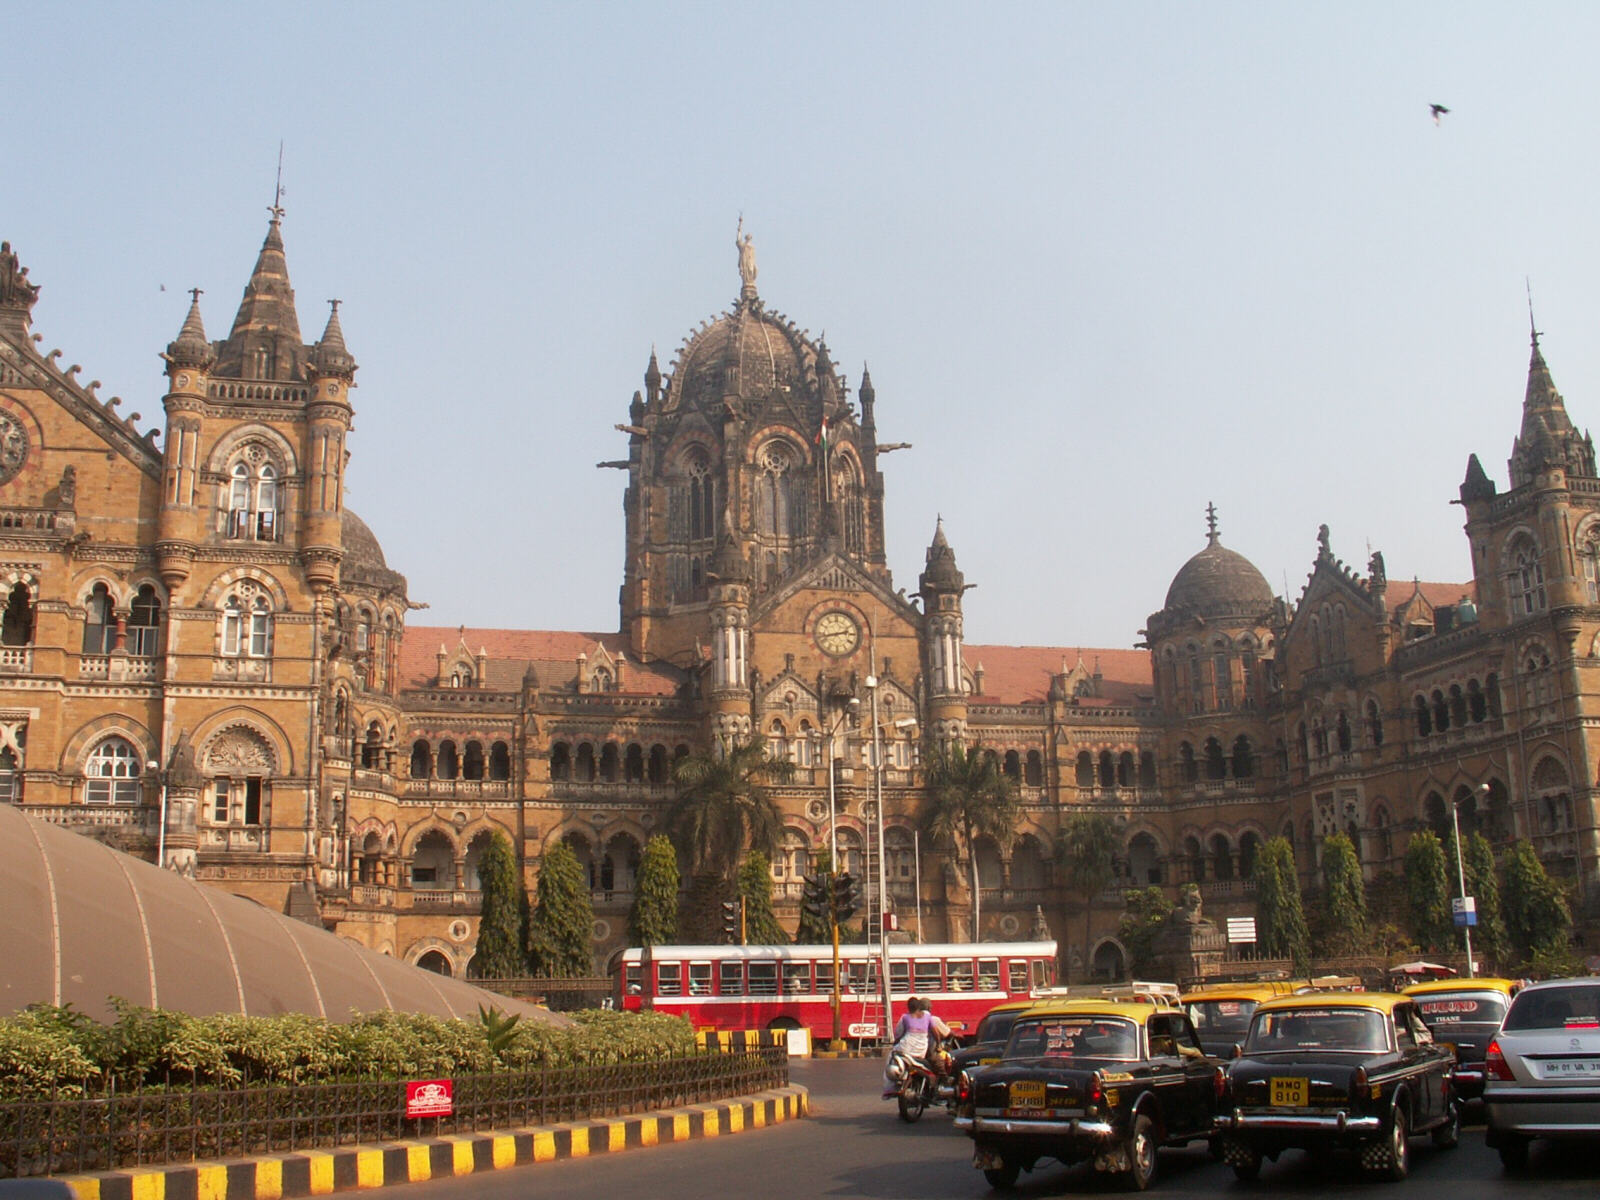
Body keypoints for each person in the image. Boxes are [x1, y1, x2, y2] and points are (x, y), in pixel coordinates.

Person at [882, 997, 952, 1098]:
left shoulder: (905, 1017)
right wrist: (938, 1044)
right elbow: (936, 1032)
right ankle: (943, 1081)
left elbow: (899, 1034)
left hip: (906, 1048)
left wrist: (895, 1042)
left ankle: (889, 1087)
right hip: (921, 1051)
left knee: (891, 1056)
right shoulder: (928, 1016)